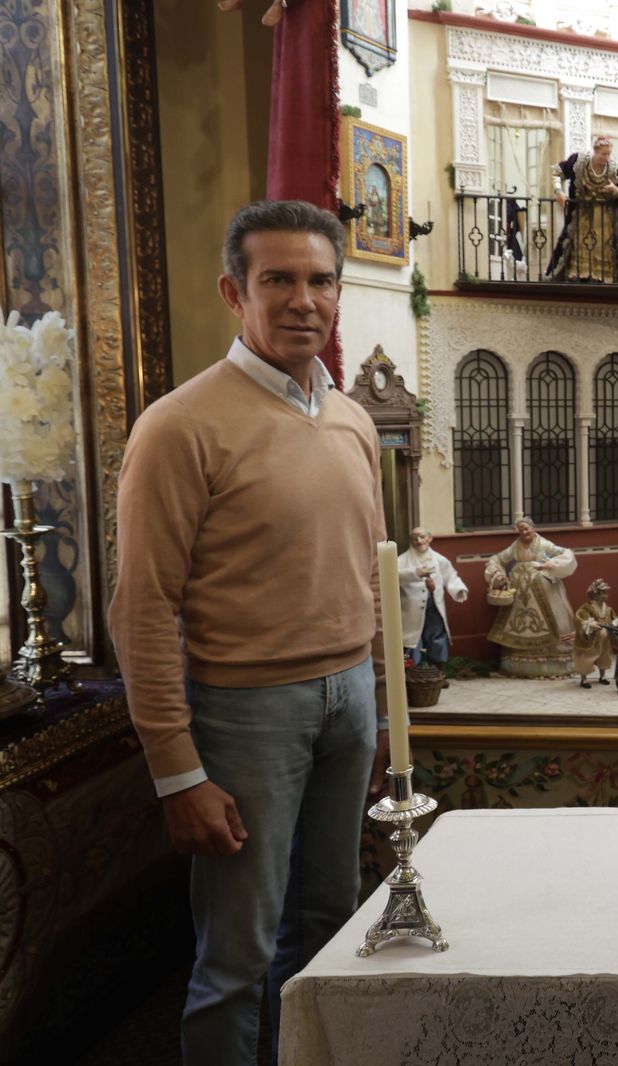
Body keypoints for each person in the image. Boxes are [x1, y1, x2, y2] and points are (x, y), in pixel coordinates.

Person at [107, 200, 386, 1066]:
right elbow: (142, 606)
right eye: (279, 280)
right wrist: (177, 772)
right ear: (235, 292)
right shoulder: (180, 426)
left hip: (351, 700)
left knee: (330, 928)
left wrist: (377, 702)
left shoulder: (352, 420)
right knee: (238, 954)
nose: (304, 300)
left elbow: (365, 572)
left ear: (338, 295)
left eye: (321, 281)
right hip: (245, 712)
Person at [484, 518, 578, 677]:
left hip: (543, 587)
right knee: (519, 621)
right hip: (520, 591)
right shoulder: (515, 546)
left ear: (533, 528)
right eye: (520, 530)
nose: (524, 532)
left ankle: (553, 663)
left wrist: (551, 564)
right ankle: (519, 663)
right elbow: (497, 558)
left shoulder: (544, 544)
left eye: (526, 529)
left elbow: (566, 553)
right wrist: (498, 573)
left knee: (553, 618)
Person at [546, 135, 618, 283]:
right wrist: (558, 191)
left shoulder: (616, 168)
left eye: (609, 154)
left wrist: (616, 191)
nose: (606, 158)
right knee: (580, 245)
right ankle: (578, 276)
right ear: (596, 151)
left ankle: (601, 278)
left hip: (605, 222)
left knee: (602, 249)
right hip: (582, 218)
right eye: (603, 154)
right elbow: (557, 172)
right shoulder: (579, 161)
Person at [398, 526, 469, 666]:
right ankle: (413, 668)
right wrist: (414, 573)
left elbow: (450, 575)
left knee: (436, 633)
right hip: (412, 606)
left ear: (430, 539)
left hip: (434, 604)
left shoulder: (439, 559)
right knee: (413, 636)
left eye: (422, 537)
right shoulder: (402, 560)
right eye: (415, 539)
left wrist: (458, 589)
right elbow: (394, 574)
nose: (419, 541)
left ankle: (438, 666)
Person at [573, 578, 616, 689]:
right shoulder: (587, 607)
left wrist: (617, 622)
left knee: (604, 657)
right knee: (586, 657)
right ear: (595, 594)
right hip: (592, 638)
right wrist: (590, 624)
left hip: (604, 638)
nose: (606, 595)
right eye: (603, 593)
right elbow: (581, 618)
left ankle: (602, 676)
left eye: (606, 592)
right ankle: (584, 679)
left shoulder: (608, 609)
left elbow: (613, 618)